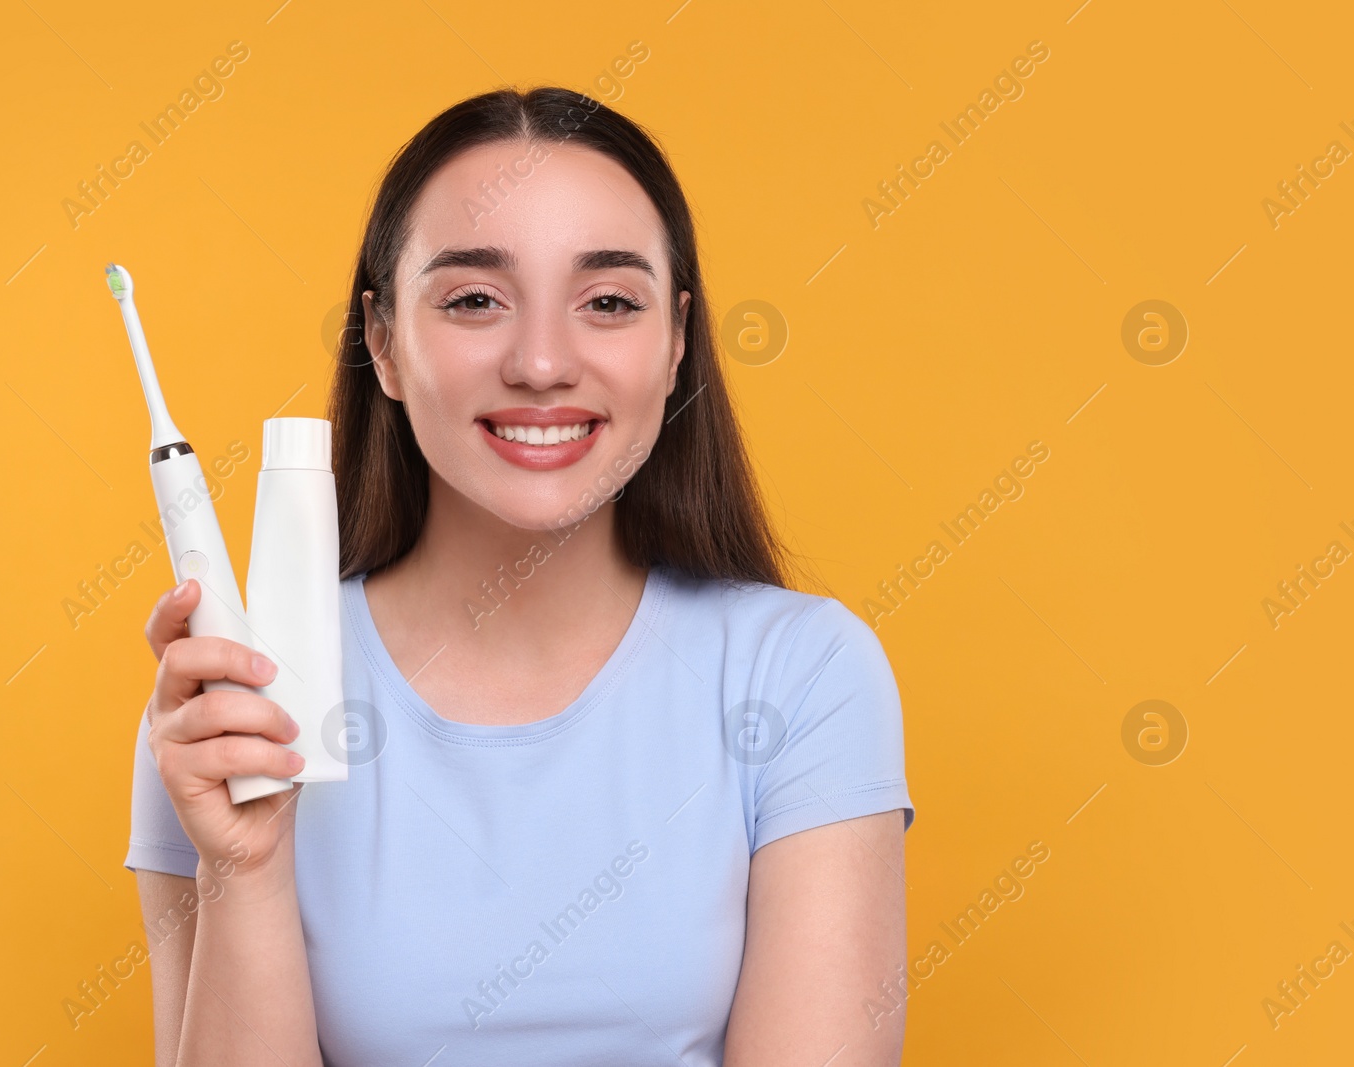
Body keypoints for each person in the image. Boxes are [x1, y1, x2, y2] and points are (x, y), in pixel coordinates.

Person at [125, 85, 913, 1067]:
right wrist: (243, 865)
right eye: (473, 300)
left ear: (674, 341)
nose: (541, 362)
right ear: (381, 340)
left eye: (608, 302)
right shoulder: (232, 711)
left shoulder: (800, 675)